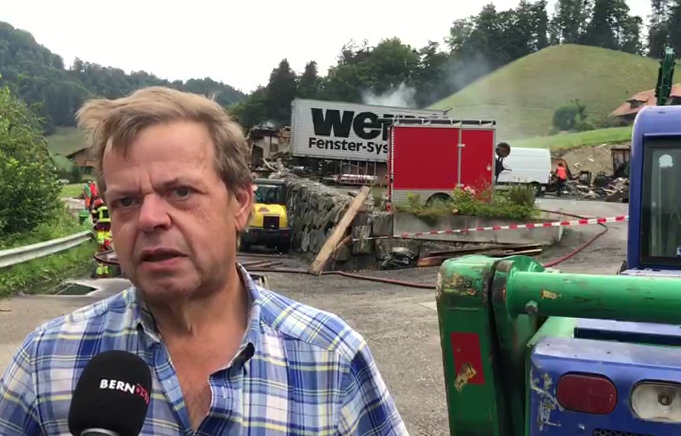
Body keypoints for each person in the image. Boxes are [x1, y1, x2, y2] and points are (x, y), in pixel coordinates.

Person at [0, 87, 407, 435]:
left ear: (240, 203)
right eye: (126, 201)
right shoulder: (45, 361)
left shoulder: (331, 358)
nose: (149, 219)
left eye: (180, 192)